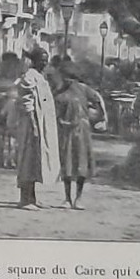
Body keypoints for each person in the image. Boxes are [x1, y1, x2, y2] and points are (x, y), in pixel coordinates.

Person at [13, 46, 60, 209]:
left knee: (35, 161)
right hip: (31, 124)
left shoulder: (40, 77)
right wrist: (33, 126)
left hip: (41, 125)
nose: (44, 63)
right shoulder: (29, 77)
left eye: (46, 61)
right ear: (34, 61)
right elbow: (27, 104)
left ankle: (32, 198)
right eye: (42, 60)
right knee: (28, 160)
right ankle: (24, 199)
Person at [53, 70, 96, 209]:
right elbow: (55, 111)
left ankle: (79, 197)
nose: (67, 80)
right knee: (67, 162)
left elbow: (97, 100)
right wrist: (60, 121)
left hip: (82, 130)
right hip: (66, 131)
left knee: (81, 161)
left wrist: (98, 117)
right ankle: (67, 198)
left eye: (69, 77)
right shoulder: (59, 93)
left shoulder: (84, 89)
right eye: (64, 77)